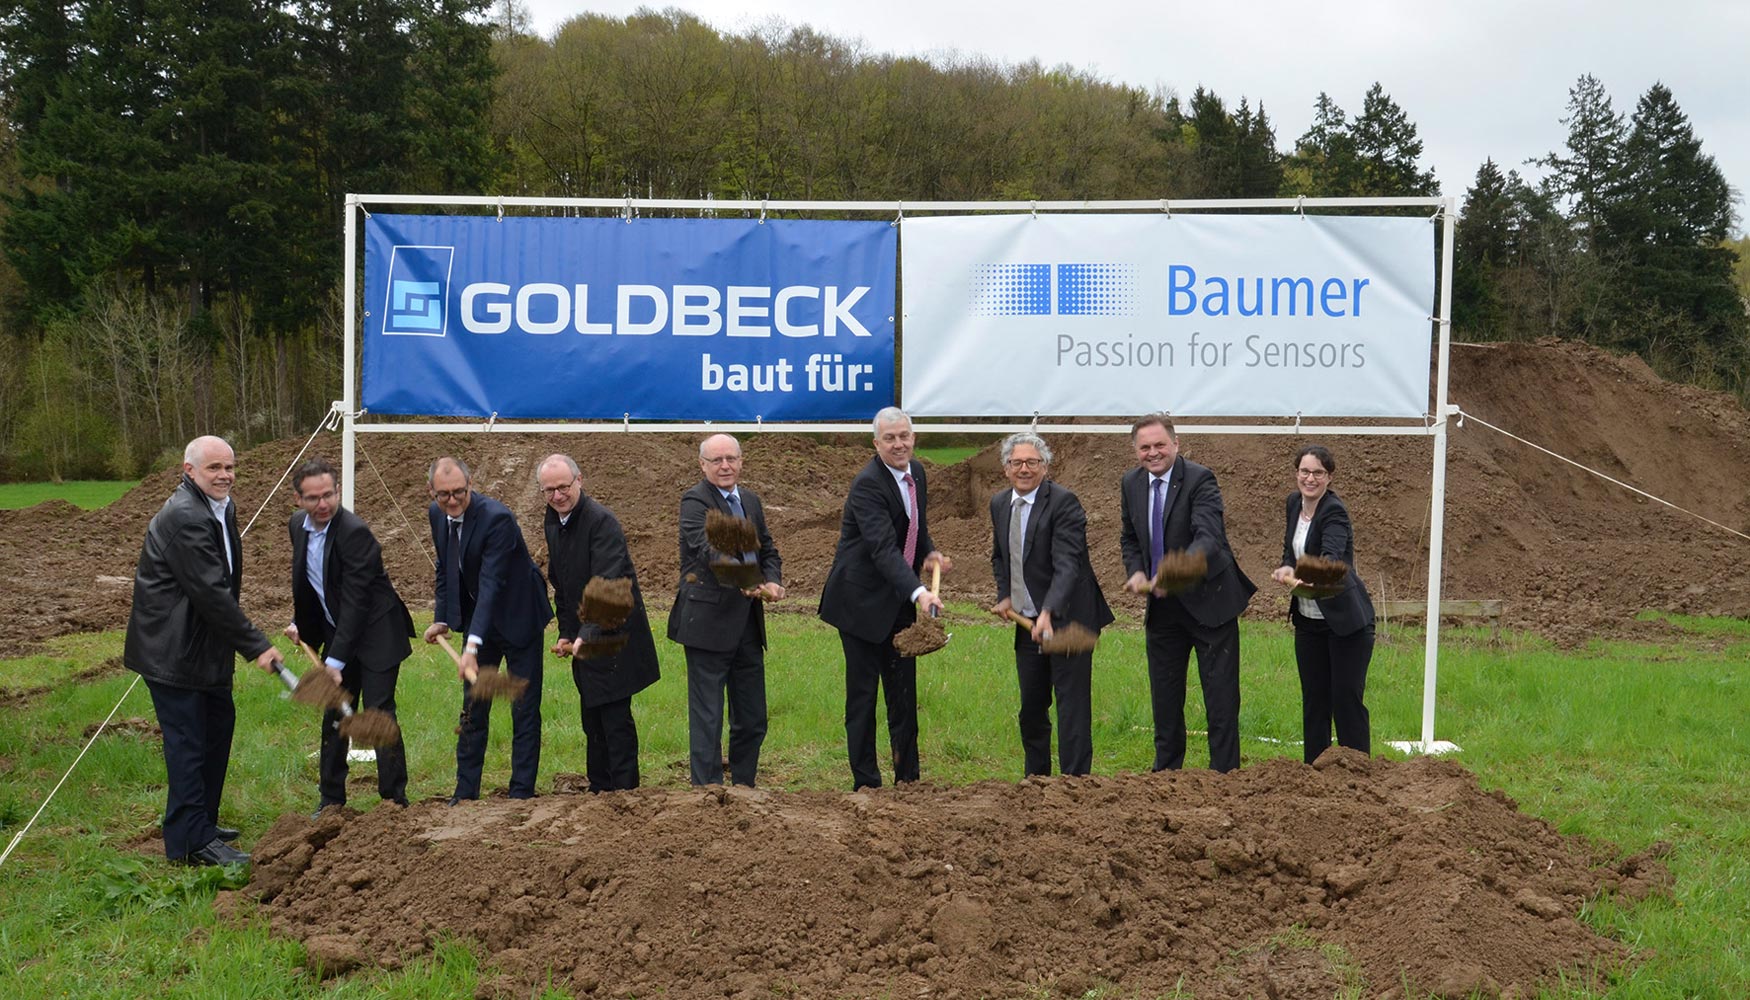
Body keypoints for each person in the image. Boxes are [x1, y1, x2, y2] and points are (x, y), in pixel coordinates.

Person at [124, 436, 283, 866]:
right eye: (214, 468)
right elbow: (211, 593)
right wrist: (257, 646)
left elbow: (221, 585)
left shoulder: (220, 506)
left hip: (204, 646)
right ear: (189, 470)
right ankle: (190, 845)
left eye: (230, 467)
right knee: (189, 745)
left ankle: (200, 825)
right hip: (174, 651)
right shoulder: (185, 517)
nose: (225, 475)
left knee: (216, 732)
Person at [818, 406, 952, 790]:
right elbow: (881, 549)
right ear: (876, 443)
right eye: (890, 438)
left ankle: (908, 780)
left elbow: (913, 526)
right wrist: (919, 590)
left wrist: (928, 552)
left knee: (903, 695)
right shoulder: (867, 484)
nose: (899, 444)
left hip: (896, 601)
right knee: (863, 698)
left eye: (904, 436)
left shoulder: (917, 473)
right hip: (858, 604)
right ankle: (866, 784)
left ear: (914, 438)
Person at [1119, 413, 1256, 773]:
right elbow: (1130, 537)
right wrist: (1136, 572)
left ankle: (1224, 776)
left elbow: (1209, 539)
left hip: (1210, 602)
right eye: (1145, 447)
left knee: (1221, 698)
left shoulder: (1199, 479)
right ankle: (1166, 774)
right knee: (1164, 697)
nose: (1153, 453)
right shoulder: (1130, 483)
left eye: (1160, 445)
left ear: (1176, 444)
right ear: (1135, 451)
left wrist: (1174, 570)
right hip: (1163, 609)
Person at [285, 458, 415, 816]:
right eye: (313, 498)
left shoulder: (354, 533)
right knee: (334, 714)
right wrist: (302, 625)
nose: (322, 504)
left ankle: (393, 803)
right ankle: (331, 800)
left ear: (338, 491)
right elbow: (312, 586)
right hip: (340, 631)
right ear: (298, 500)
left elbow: (357, 602)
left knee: (377, 713)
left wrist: (334, 662)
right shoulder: (298, 526)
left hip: (377, 634)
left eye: (329, 495)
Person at [423, 456, 553, 803]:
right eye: (444, 494)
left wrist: (471, 647)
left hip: (519, 615)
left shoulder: (498, 519)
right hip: (481, 617)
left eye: (459, 493)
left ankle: (521, 792)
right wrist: (443, 617)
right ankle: (465, 792)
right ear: (431, 491)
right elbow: (445, 566)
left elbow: (492, 582)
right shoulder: (438, 515)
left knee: (523, 705)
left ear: (470, 485)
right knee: (473, 705)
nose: (452, 501)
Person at [988, 432, 1114, 777]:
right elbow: (1002, 557)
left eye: (1032, 462)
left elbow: (1068, 564)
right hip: (1026, 621)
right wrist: (1006, 594)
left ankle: (1074, 785)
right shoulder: (1000, 504)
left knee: (1071, 707)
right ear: (1005, 468)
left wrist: (1048, 613)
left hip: (1069, 619)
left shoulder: (1064, 502)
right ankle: (1036, 781)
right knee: (1031, 707)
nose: (1024, 469)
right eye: (1017, 462)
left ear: (1045, 466)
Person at [666, 434, 784, 787]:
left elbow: (768, 550)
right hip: (707, 622)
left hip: (748, 622)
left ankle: (745, 787)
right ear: (702, 465)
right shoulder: (694, 501)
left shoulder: (750, 500)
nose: (725, 466)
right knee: (708, 717)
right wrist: (743, 578)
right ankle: (707, 792)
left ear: (741, 461)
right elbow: (708, 549)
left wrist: (772, 580)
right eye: (716, 460)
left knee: (752, 716)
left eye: (731, 459)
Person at [538, 454, 659, 792]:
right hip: (585, 638)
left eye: (564, 486)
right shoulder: (554, 521)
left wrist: (588, 634)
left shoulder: (601, 521)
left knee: (614, 719)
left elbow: (607, 582)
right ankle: (598, 790)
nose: (558, 495)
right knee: (592, 718)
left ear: (580, 481)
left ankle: (624, 794)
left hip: (614, 634)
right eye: (549, 490)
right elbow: (561, 584)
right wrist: (567, 633)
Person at [1270, 445, 1376, 763]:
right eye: (1305, 471)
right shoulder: (1293, 504)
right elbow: (1292, 551)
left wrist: (1316, 575)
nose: (1310, 478)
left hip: (1346, 624)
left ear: (1329, 477)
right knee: (1315, 700)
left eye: (1318, 472)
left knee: (1345, 700)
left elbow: (1332, 553)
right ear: (1296, 474)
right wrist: (1288, 568)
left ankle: (1357, 772)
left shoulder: (1334, 511)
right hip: (1308, 621)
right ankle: (1314, 774)